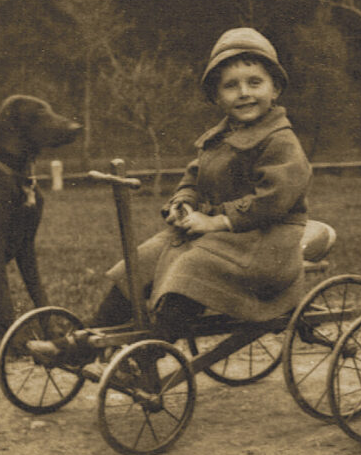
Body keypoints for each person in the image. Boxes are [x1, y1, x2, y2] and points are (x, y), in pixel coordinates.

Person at [54, 27, 312, 364]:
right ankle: (87, 340)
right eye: (231, 86)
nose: (244, 93)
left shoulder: (281, 141)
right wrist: (183, 204)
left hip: (267, 243)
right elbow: (194, 177)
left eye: (254, 83)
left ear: (275, 88)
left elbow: (275, 199)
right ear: (216, 97)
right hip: (225, 236)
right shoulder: (218, 138)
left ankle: (148, 352)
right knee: (144, 257)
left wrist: (217, 220)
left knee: (194, 264)